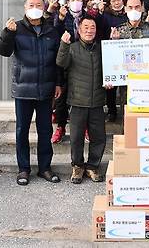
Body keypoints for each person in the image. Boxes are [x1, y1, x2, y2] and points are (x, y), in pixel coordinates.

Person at [0, 0, 62, 186]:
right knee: (22, 130)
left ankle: (45, 168)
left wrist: (58, 83)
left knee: (45, 130)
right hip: (23, 88)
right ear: (25, 8)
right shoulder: (16, 28)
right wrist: (7, 33)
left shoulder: (51, 30)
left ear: (44, 7)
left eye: (39, 5)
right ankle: (23, 169)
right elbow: (3, 50)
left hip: (46, 88)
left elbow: (58, 61)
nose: (35, 7)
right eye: (31, 5)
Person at [56, 16, 111, 184]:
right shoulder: (72, 48)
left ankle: (93, 166)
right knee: (76, 137)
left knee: (99, 137)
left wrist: (111, 81)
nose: (89, 30)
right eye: (85, 27)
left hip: (97, 100)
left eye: (92, 27)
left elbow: (113, 65)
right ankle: (77, 167)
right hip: (77, 100)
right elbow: (61, 63)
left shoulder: (102, 48)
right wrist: (64, 45)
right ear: (79, 30)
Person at [110, 0, 149, 119]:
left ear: (142, 8)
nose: (134, 10)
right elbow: (112, 58)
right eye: (130, 7)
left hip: (148, 82)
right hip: (127, 84)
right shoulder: (118, 30)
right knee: (127, 117)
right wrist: (114, 42)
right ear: (126, 9)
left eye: (137, 7)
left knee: (147, 116)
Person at [51, 0, 85, 144]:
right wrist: (60, 18)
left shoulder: (88, 17)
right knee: (62, 98)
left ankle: (85, 128)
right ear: (68, 2)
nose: (76, 2)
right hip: (65, 61)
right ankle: (60, 127)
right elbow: (54, 33)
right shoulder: (63, 17)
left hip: (83, 62)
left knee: (82, 96)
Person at [99, 0, 128, 121]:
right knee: (111, 85)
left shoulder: (128, 14)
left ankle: (126, 110)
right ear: (109, 3)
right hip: (110, 53)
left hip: (126, 52)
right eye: (113, 0)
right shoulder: (105, 15)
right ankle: (111, 111)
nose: (117, 3)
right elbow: (100, 32)